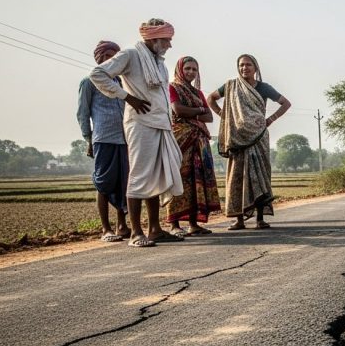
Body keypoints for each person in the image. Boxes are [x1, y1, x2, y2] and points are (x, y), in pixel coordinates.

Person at [89, 18, 184, 247]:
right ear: (154, 38)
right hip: (140, 123)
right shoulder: (130, 54)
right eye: (166, 40)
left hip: (161, 123)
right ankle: (136, 233)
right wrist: (127, 97)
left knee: (156, 176)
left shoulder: (159, 63)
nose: (169, 45)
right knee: (140, 175)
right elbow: (97, 74)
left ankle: (155, 229)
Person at [207, 54, 291, 230]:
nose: (244, 68)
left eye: (248, 65)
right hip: (237, 138)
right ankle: (239, 220)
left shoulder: (264, 87)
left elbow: (285, 103)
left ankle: (260, 219)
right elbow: (210, 99)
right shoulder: (231, 86)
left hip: (259, 138)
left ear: (255, 68)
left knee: (259, 176)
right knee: (237, 176)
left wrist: (271, 119)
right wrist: (225, 116)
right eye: (241, 65)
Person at [77, 40, 129, 242]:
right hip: (103, 138)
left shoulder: (121, 83)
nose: (110, 61)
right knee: (104, 183)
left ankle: (122, 225)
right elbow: (83, 113)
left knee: (124, 183)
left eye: (114, 58)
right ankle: (106, 229)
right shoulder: (89, 81)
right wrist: (88, 139)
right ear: (99, 59)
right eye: (107, 57)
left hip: (124, 138)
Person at [165, 56, 220, 236]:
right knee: (179, 178)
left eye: (194, 69)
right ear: (179, 69)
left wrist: (193, 113)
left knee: (197, 179)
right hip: (180, 139)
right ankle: (174, 224)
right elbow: (178, 110)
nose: (190, 72)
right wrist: (199, 111)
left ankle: (193, 223)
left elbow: (209, 117)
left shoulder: (198, 93)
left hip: (199, 142)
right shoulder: (172, 87)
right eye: (187, 68)